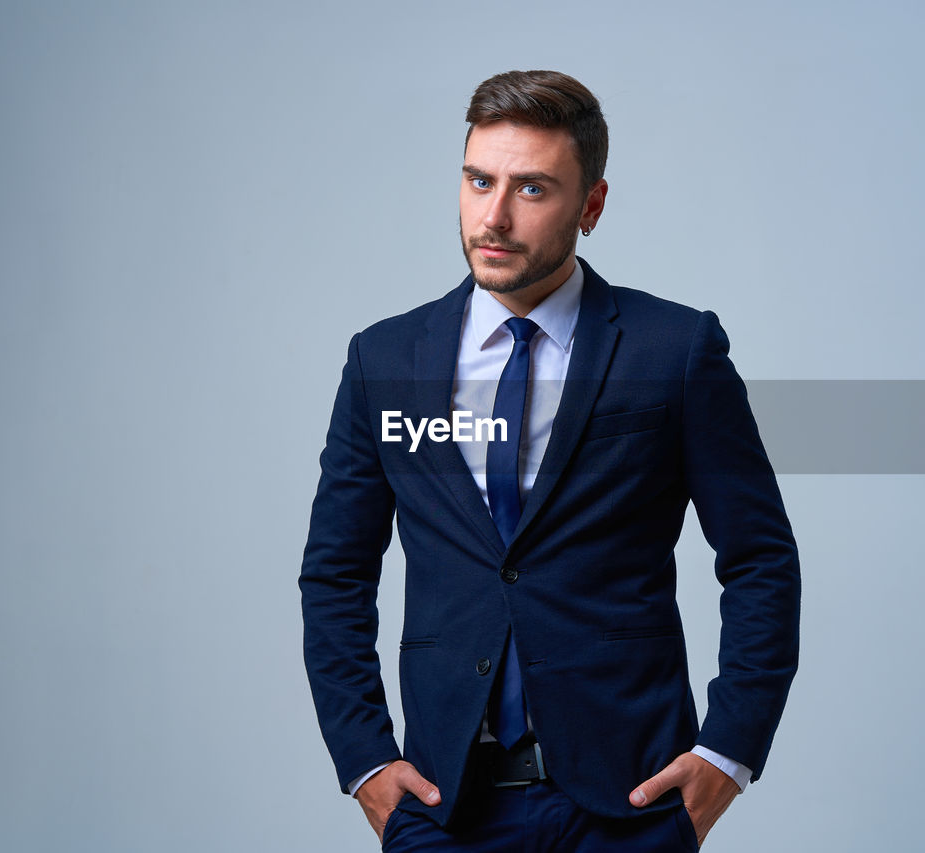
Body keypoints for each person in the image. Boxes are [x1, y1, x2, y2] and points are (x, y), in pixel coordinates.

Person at [300, 69, 800, 851]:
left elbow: (761, 557)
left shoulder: (674, 351)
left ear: (591, 205)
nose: (493, 216)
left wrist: (725, 755)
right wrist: (364, 759)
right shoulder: (385, 360)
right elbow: (336, 572)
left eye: (531, 189)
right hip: (444, 808)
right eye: (478, 181)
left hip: (628, 808)